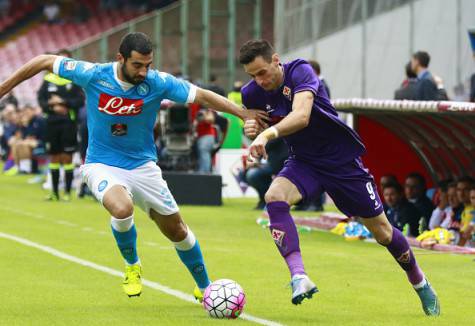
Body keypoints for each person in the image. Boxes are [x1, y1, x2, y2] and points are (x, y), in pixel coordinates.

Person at [0, 32, 266, 300]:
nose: (143, 71)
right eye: (137, 65)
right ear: (121, 59)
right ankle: (132, 266)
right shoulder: (94, 74)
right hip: (101, 164)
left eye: (148, 65)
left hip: (143, 166)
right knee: (122, 207)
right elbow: (44, 60)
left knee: (177, 230)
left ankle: (205, 287)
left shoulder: (157, 82)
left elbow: (203, 97)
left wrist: (242, 113)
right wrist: (4, 88)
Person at [239, 39, 439, 315]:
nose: (259, 81)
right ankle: (299, 276)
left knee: (382, 232)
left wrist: (266, 133)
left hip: (342, 163)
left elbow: (301, 115)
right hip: (304, 162)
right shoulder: (252, 94)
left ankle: (420, 282)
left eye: (262, 72)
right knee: (274, 196)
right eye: (252, 76)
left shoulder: (300, 71)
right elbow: (257, 124)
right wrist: (253, 128)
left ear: (275, 60)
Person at [38, 49, 85, 201]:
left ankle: (67, 193)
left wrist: (63, 103)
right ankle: (54, 193)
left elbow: (80, 101)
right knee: (54, 157)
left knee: (67, 157)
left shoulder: (74, 81)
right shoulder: (48, 80)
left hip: (68, 123)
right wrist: (52, 106)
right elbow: (41, 100)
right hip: (51, 123)